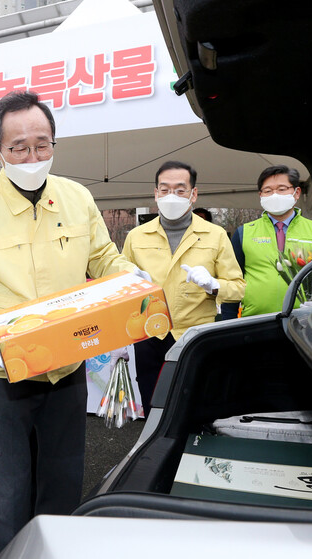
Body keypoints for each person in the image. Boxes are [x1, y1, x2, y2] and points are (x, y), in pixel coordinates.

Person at [0, 91, 147, 557]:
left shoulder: (77, 197)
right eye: (19, 148)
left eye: (42, 145)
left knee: (64, 480)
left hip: (66, 366)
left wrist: (132, 277)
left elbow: (103, 257)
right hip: (1, 370)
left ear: (54, 143)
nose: (32, 156)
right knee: (7, 491)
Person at [122, 161, 245, 416]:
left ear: (193, 194)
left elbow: (238, 288)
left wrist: (213, 285)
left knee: (194, 409)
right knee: (153, 405)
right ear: (155, 194)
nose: (172, 196)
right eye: (165, 190)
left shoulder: (215, 235)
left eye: (180, 190)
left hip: (195, 336)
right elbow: (121, 288)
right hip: (149, 334)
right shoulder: (137, 236)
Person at [220, 165, 312, 319]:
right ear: (261, 195)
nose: (274, 195)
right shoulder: (243, 233)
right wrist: (228, 322)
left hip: (307, 321)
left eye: (282, 189)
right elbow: (233, 282)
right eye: (268, 191)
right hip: (254, 322)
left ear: (297, 192)